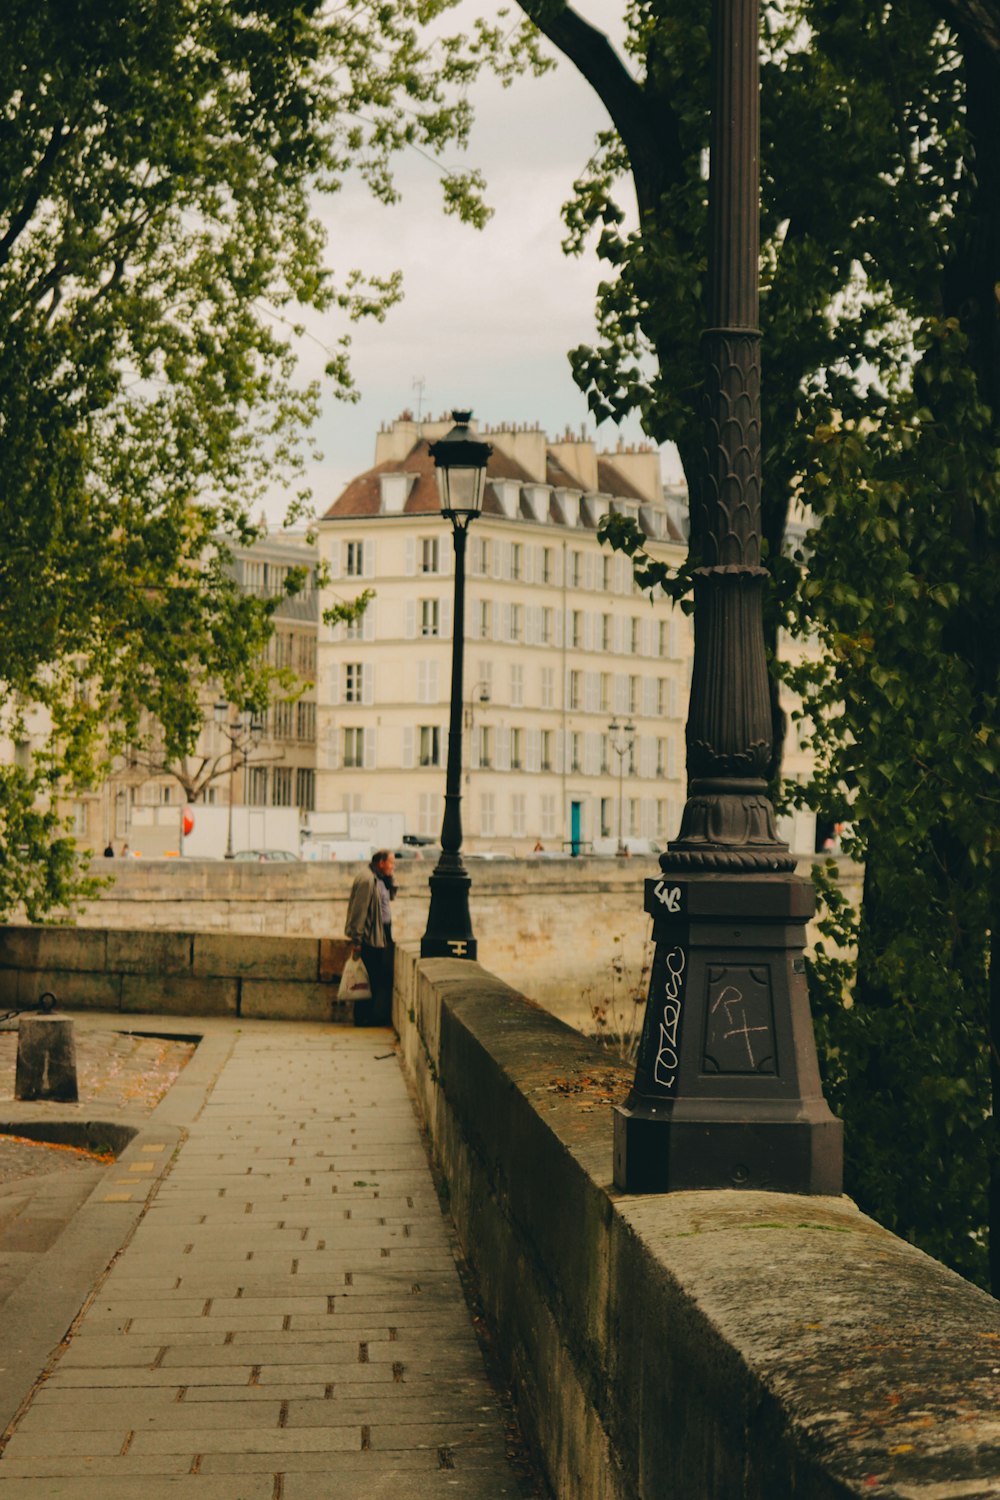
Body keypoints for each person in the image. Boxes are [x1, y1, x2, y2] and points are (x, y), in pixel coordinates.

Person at [345, 850, 396, 1026]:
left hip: (380, 936)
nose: (393, 866)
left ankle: (370, 1016)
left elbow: (389, 898)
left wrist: (390, 880)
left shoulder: (379, 879)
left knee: (375, 979)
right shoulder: (368, 880)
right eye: (391, 863)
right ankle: (363, 1018)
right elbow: (358, 912)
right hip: (370, 939)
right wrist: (357, 940)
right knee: (367, 980)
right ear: (381, 863)